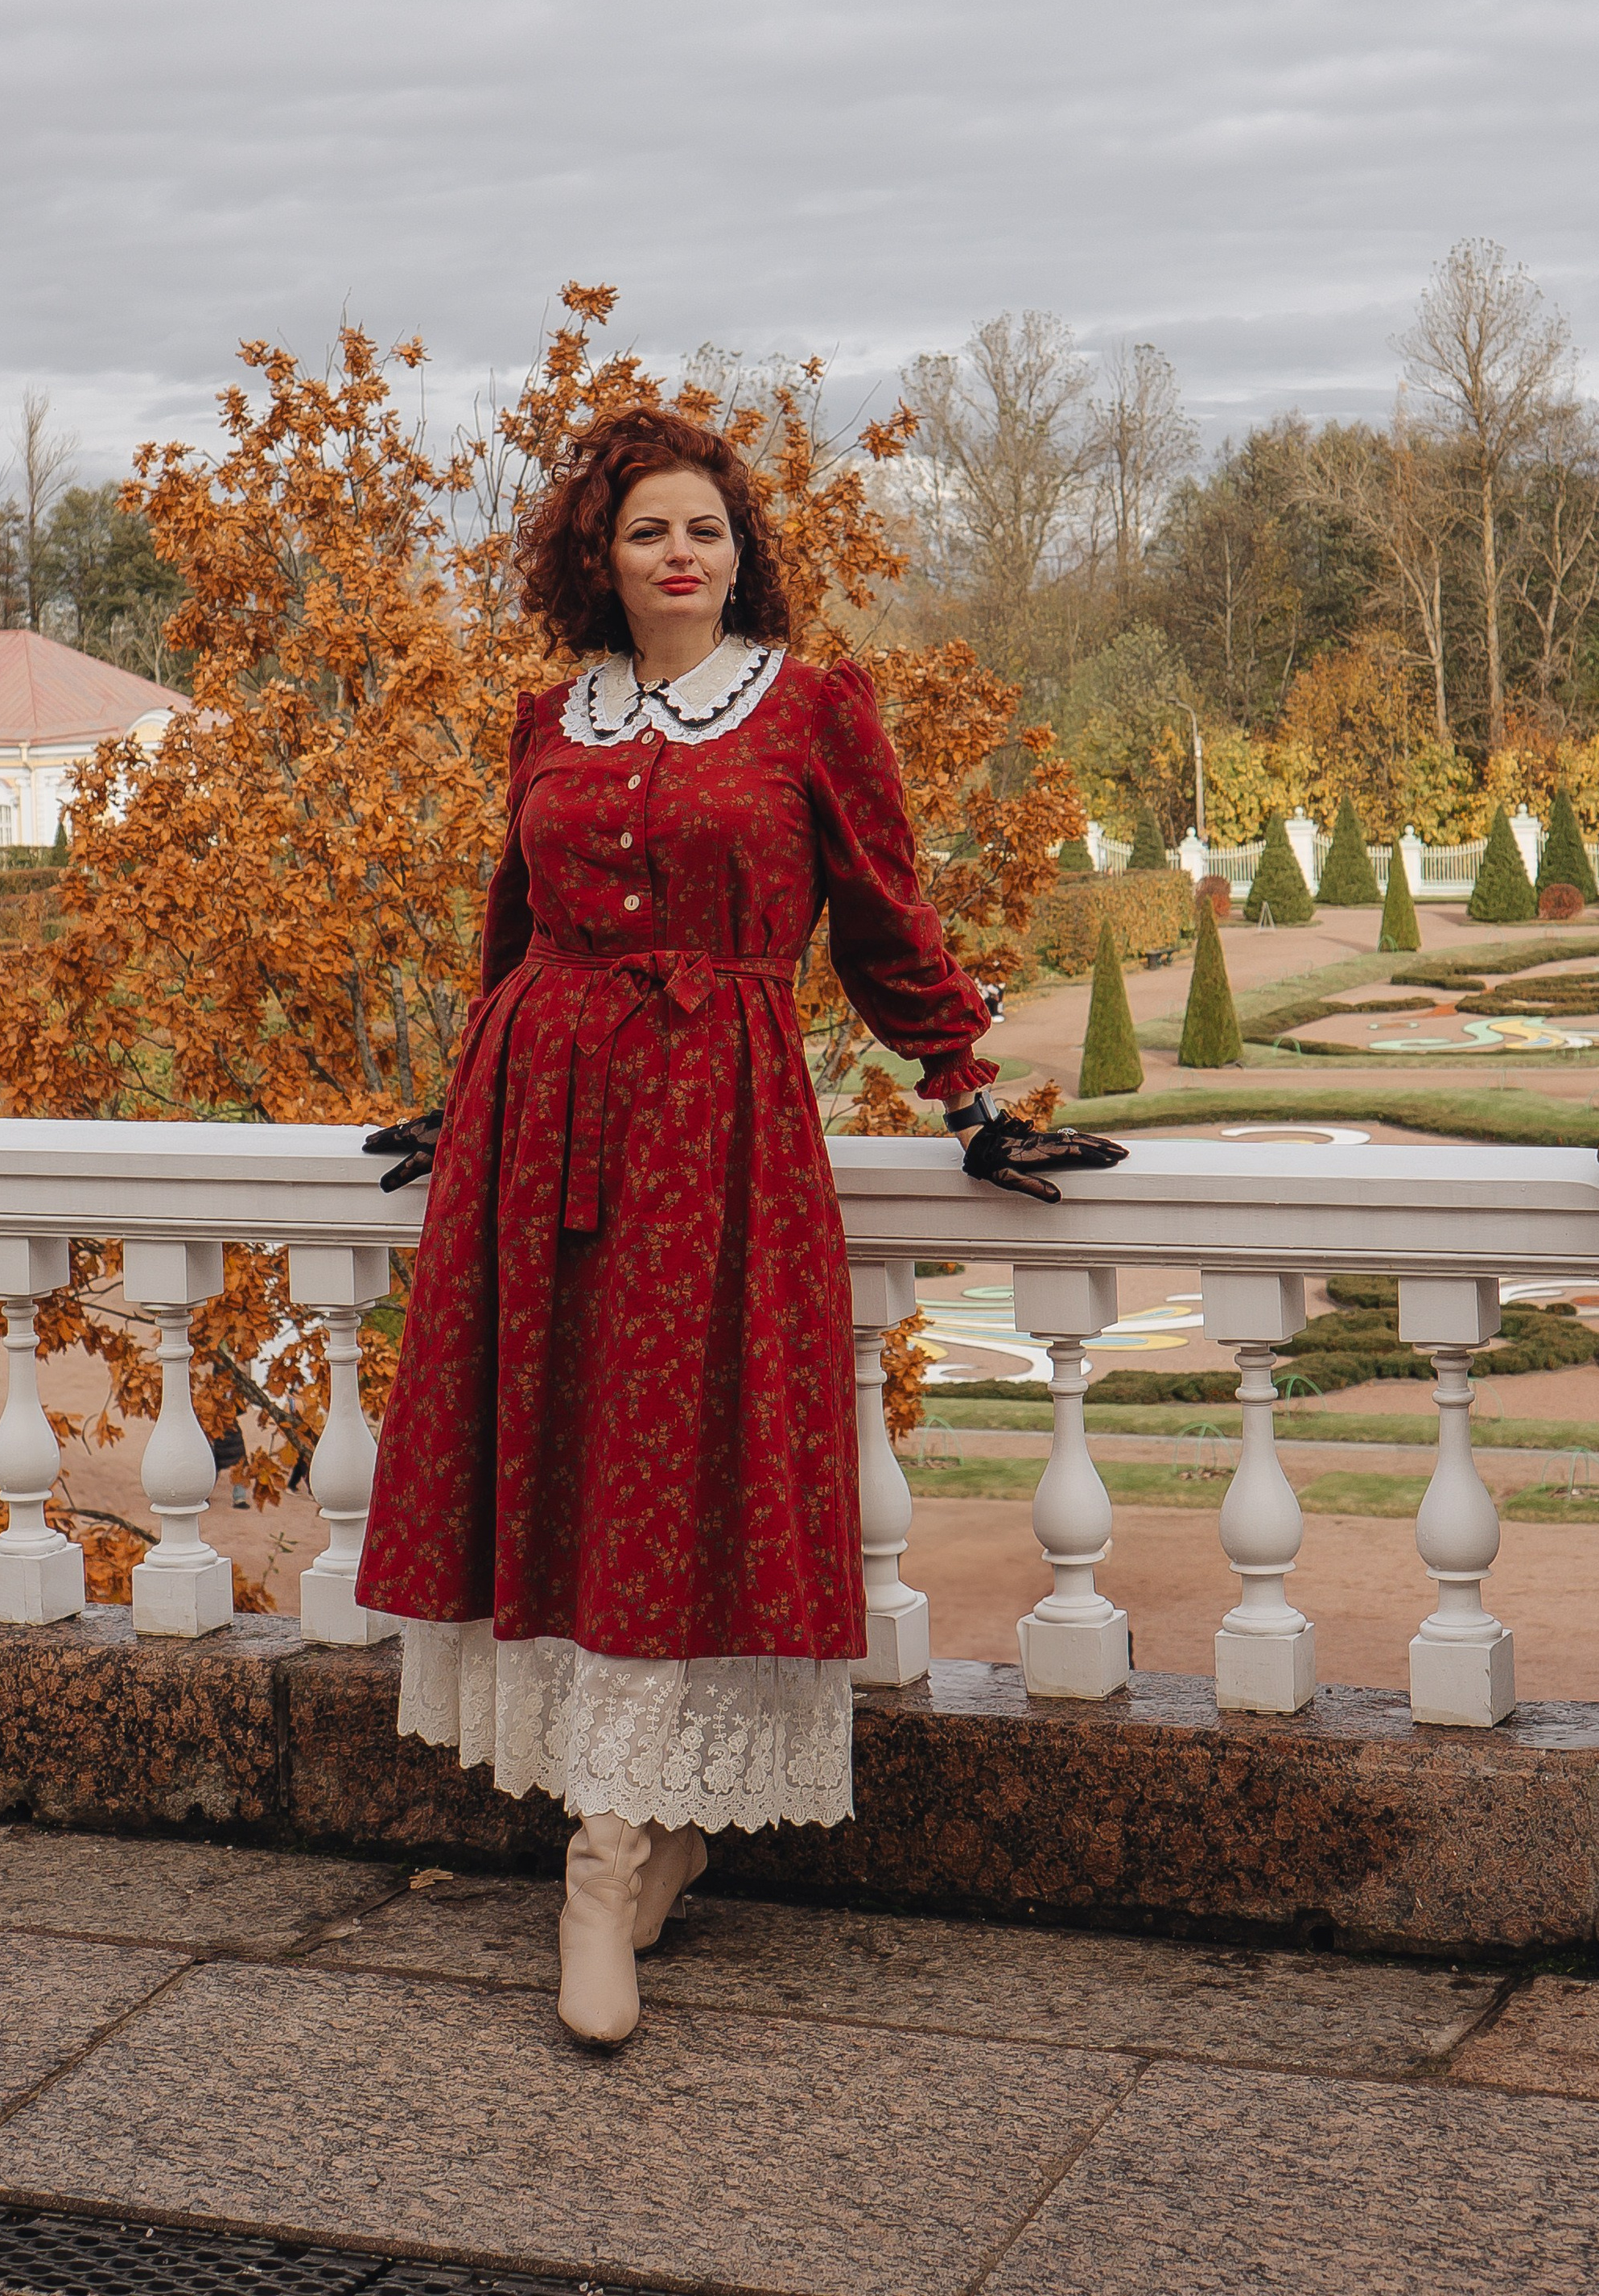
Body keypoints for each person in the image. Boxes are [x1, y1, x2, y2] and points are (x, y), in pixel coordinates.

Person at [355, 404, 1120, 2047]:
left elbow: (881, 917)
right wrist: (460, 1091)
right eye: (646, 532)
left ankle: (607, 1859)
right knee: (568, 1464)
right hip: (539, 1115)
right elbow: (513, 919)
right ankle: (634, 1838)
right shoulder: (545, 715)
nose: (678, 554)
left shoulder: (812, 710)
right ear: (601, 558)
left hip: (717, 1126)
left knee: (672, 1465)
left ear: (737, 549)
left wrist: (964, 1093)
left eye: (702, 528)